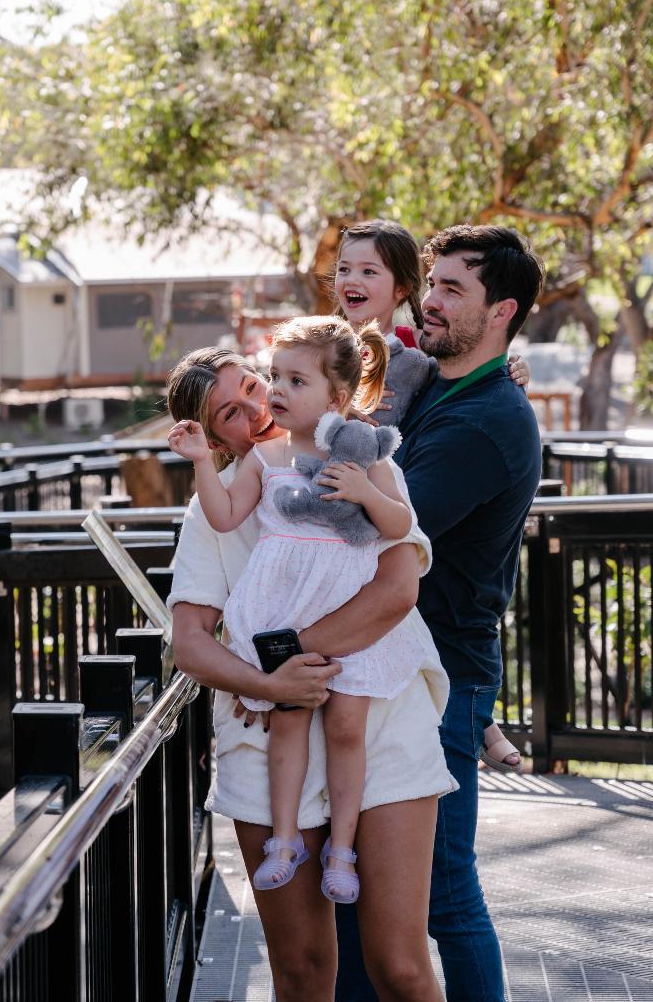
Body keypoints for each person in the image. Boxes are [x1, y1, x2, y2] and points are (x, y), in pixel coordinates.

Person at [167, 346, 454, 1002]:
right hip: (270, 738)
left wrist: (273, 662)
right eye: (231, 414)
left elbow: (395, 592)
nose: (255, 408)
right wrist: (269, 687)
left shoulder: (362, 462)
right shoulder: (214, 510)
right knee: (301, 967)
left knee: (402, 965)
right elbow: (189, 643)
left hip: (378, 716)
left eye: (253, 386)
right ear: (215, 439)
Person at [334, 223, 544, 1002]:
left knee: (446, 896)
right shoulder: (436, 386)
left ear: (501, 312)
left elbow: (374, 530)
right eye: (433, 281)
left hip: (442, 682)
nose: (431, 298)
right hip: (389, 665)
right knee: (349, 888)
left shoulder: (485, 421)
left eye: (454, 289)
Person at [334, 218, 526, 774]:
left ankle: (481, 719)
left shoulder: (425, 371)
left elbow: (392, 521)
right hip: (398, 633)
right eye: (345, 269)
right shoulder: (332, 349)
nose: (433, 299)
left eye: (452, 288)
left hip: (436, 645)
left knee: (437, 854)